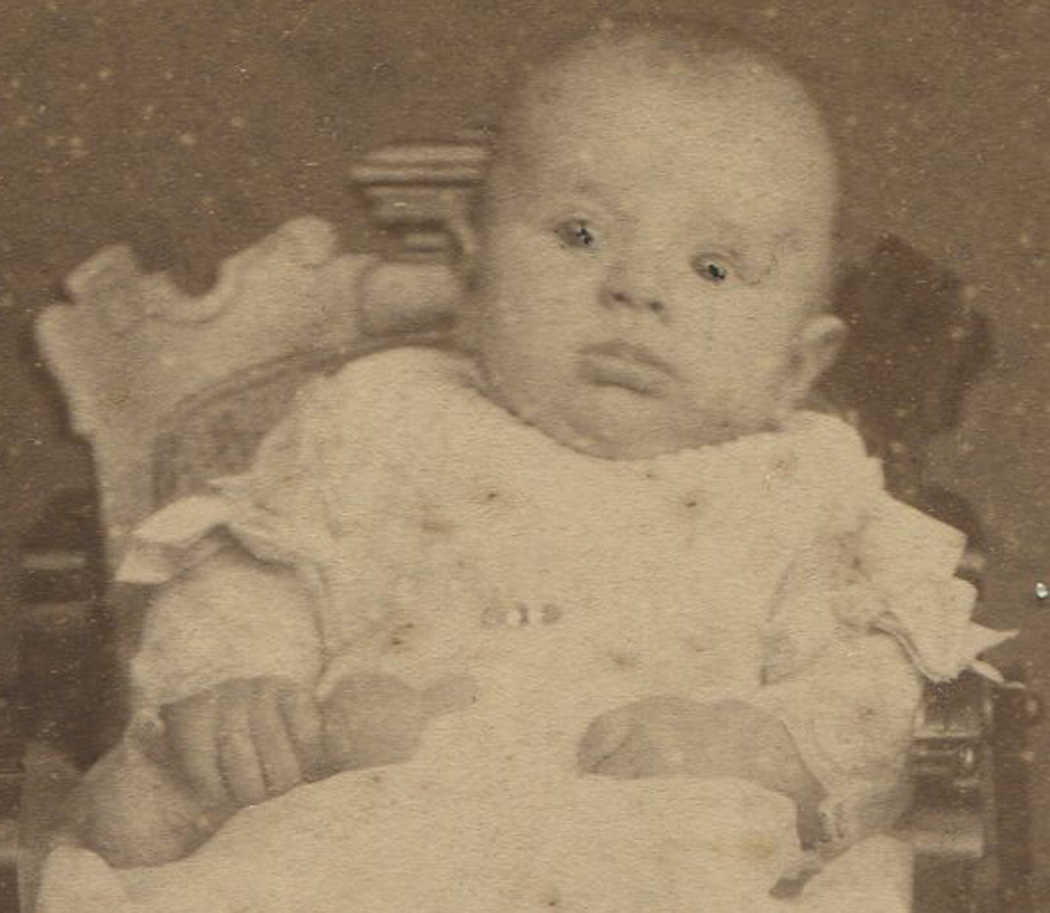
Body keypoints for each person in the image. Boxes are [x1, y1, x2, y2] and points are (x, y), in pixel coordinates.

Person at [39, 21, 1011, 913]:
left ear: (798, 361)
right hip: (363, 836)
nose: (636, 289)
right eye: (580, 234)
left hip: (663, 851)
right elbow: (253, 579)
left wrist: (765, 743)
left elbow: (873, 686)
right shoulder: (379, 416)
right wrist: (243, 686)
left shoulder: (806, 483)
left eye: (713, 267)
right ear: (472, 270)